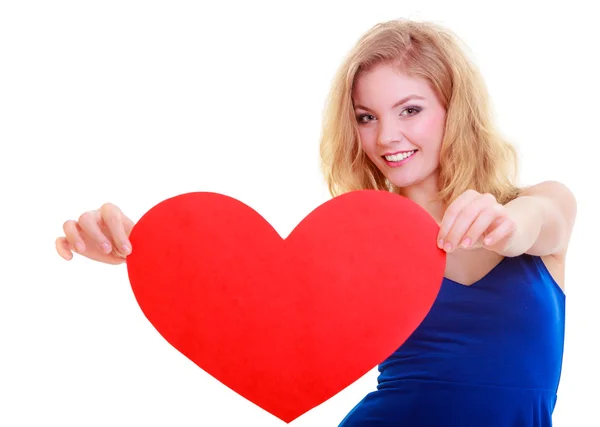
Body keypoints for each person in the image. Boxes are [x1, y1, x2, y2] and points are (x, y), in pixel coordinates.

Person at [56, 18, 577, 427]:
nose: (386, 137)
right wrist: (141, 246)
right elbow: (250, 303)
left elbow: (538, 222)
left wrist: (507, 226)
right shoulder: (359, 249)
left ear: (455, 109)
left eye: (410, 110)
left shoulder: (539, 204)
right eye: (366, 116)